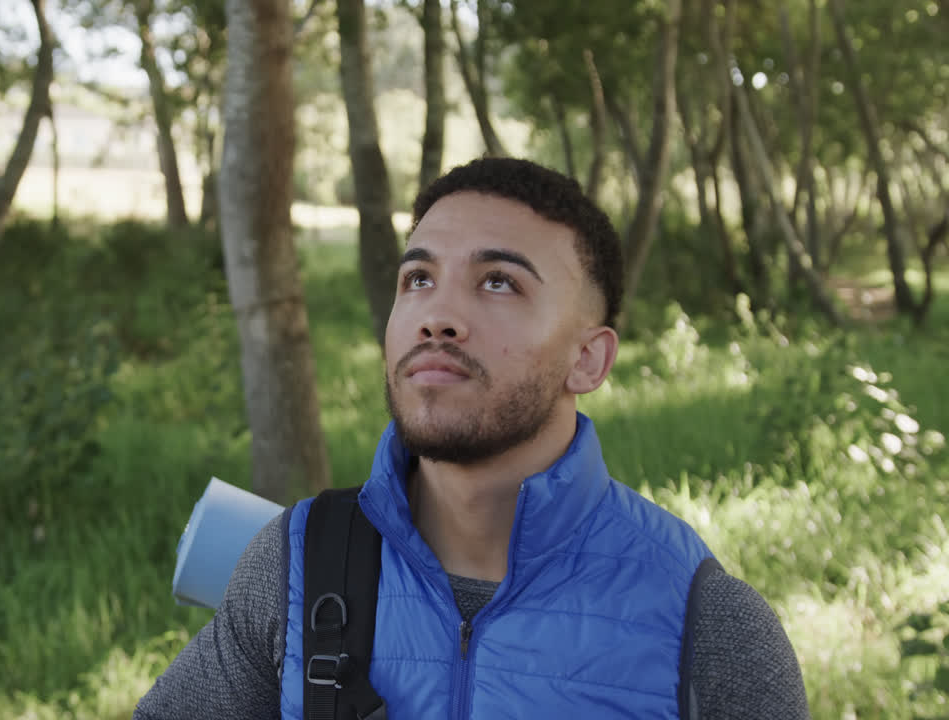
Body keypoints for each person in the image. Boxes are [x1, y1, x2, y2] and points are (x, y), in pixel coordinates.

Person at [135, 157, 809, 719]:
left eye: (498, 282)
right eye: (419, 278)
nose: (439, 315)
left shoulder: (709, 626)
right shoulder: (294, 563)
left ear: (589, 359)